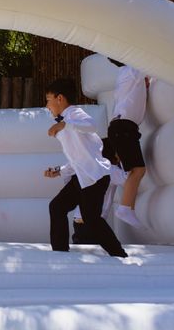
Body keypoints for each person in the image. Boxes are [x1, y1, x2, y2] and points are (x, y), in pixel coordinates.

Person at [44, 79, 127, 257]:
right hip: (82, 177)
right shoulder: (66, 120)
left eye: (48, 99)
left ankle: (119, 254)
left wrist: (65, 125)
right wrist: (58, 170)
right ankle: (60, 254)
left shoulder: (74, 113)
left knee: (91, 219)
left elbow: (91, 125)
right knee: (57, 207)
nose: (47, 105)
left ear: (59, 98)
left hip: (95, 177)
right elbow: (77, 159)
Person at [107, 59, 148, 228]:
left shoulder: (125, 74)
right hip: (124, 127)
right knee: (137, 170)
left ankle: (127, 208)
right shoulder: (133, 69)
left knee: (133, 170)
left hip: (121, 127)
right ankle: (125, 208)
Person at [71, 138, 127, 244]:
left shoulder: (91, 166)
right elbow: (128, 180)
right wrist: (126, 160)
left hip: (79, 220)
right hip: (91, 223)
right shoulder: (110, 169)